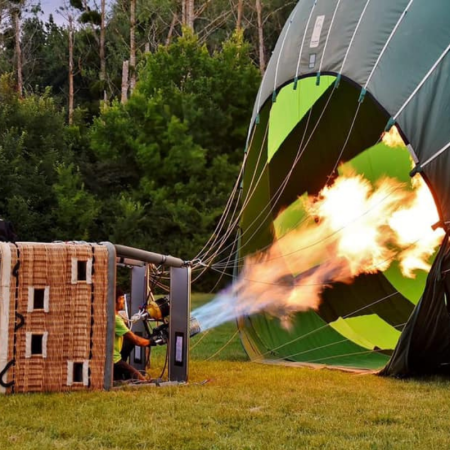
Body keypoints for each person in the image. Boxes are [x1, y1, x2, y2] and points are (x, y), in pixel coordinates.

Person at [114, 290, 153, 381]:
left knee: (128, 342)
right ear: (118, 299)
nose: (124, 302)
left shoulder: (112, 315)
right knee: (140, 379)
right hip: (114, 359)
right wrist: (152, 341)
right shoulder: (116, 319)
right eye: (123, 299)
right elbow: (136, 340)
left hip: (113, 356)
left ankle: (118, 375)